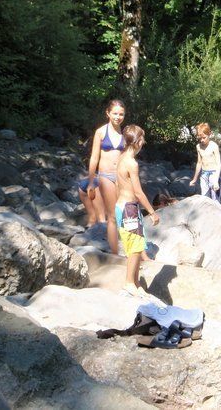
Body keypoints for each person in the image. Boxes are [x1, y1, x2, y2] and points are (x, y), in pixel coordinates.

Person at [115, 124, 160, 296]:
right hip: (129, 209)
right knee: (134, 247)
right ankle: (129, 283)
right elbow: (138, 192)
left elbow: (117, 184)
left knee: (136, 244)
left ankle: (136, 282)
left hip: (121, 207)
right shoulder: (132, 163)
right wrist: (152, 212)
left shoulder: (121, 157)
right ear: (138, 141)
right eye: (143, 139)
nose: (144, 142)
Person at [87, 99, 126, 254]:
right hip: (106, 176)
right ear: (108, 113)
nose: (118, 117)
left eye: (121, 114)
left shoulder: (125, 133)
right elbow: (94, 158)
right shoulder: (101, 132)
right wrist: (91, 181)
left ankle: (132, 251)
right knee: (113, 216)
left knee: (124, 214)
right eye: (115, 113)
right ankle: (115, 254)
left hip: (121, 177)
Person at [189, 122, 221, 202]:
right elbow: (199, 163)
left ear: (209, 134)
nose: (202, 140)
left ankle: (216, 208)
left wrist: (216, 180)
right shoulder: (198, 147)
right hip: (204, 174)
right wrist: (194, 179)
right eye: (200, 138)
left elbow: (218, 164)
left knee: (215, 197)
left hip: (214, 174)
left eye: (204, 137)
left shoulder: (214, 146)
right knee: (204, 196)